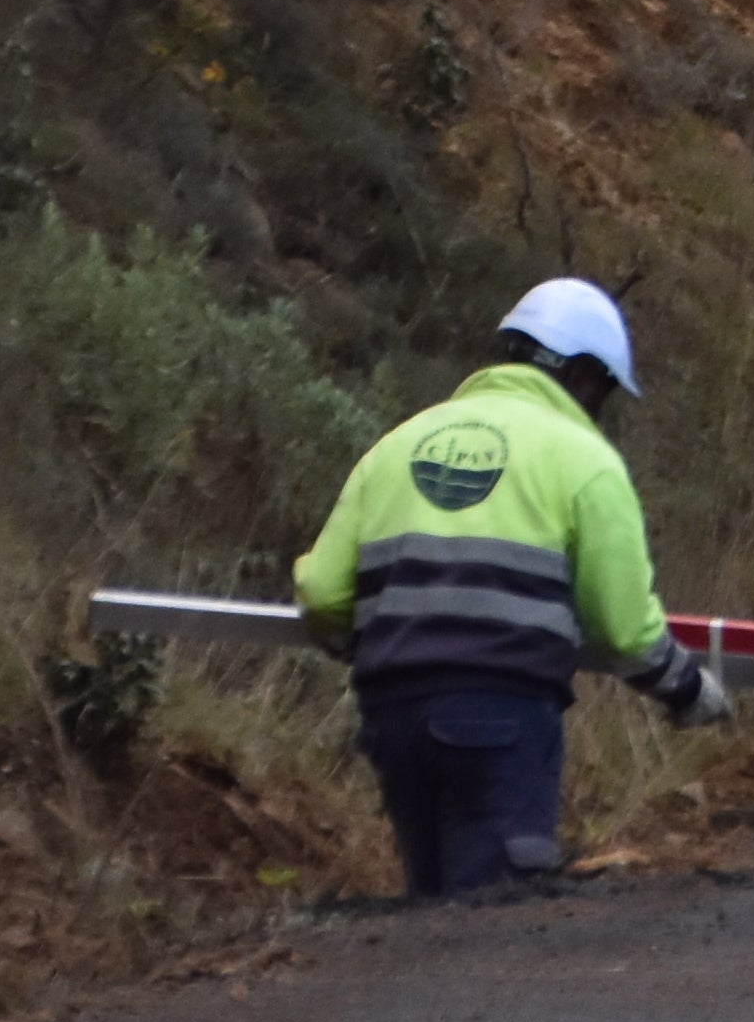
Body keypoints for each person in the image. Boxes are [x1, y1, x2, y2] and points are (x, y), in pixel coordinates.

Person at [292, 277, 728, 901]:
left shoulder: (397, 445)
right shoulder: (584, 460)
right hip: (500, 716)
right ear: (581, 375)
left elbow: (324, 593)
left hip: (393, 714)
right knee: (487, 925)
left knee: (430, 906)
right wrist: (687, 691)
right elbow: (622, 627)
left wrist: (376, 638)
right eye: (602, 391)